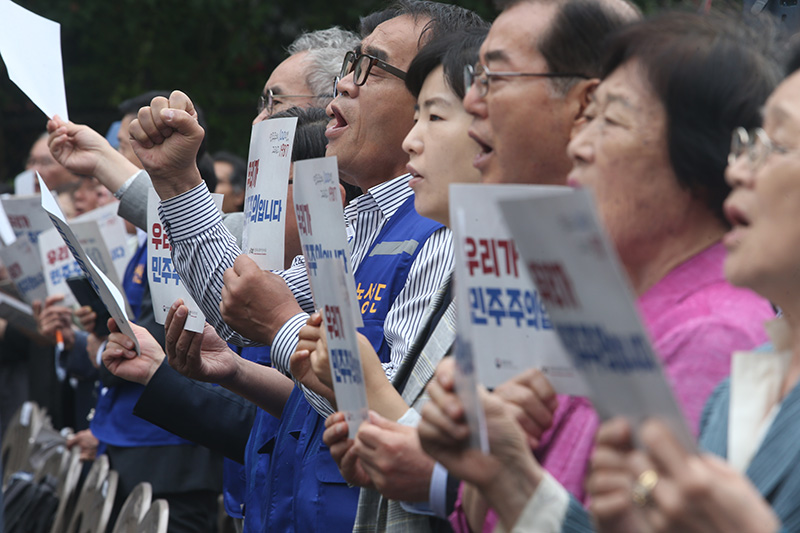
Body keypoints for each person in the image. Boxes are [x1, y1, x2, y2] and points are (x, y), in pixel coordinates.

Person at [122, 2, 483, 531]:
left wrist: (283, 329)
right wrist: (177, 183)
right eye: (348, 65)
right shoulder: (363, 222)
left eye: (371, 68)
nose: (345, 85)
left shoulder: (448, 230)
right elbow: (238, 304)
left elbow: (400, 417)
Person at [418, 9, 781, 533]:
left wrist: (514, 479)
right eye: (587, 118)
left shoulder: (714, 337)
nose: (579, 146)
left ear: (697, 160)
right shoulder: (610, 310)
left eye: (610, 120)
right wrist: (494, 467)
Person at [587, 45, 800, 533]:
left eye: (778, 145)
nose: (737, 171)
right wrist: (517, 486)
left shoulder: (717, 332)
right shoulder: (740, 386)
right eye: (750, 143)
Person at [292, 27, 487, 532]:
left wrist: (363, 385)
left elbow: (522, 480)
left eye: (435, 116)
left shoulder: (452, 245)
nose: (412, 139)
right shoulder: (461, 245)